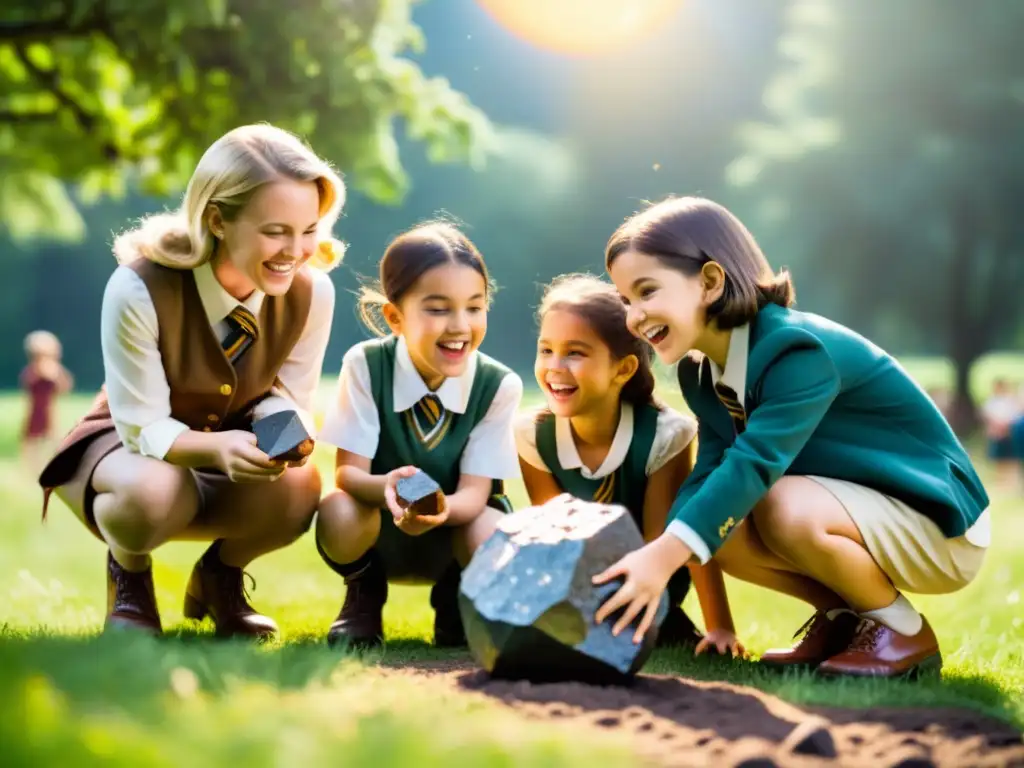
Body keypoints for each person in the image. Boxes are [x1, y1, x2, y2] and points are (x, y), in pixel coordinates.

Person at [593, 196, 990, 678]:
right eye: (625, 301)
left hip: (939, 519)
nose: (634, 317)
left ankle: (904, 633)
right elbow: (711, 472)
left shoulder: (795, 348)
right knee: (723, 528)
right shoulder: (702, 376)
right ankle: (846, 620)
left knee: (779, 504)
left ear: (710, 281)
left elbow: (755, 463)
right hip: (859, 509)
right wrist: (663, 553)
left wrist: (664, 554)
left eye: (647, 291)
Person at [39, 123, 343, 640]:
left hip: (231, 438)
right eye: (276, 231)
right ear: (218, 220)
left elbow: (288, 396)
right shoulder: (138, 286)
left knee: (301, 487)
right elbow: (141, 427)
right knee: (154, 491)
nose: (297, 250)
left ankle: (219, 577)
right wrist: (215, 448)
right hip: (129, 451)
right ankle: (129, 576)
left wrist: (283, 433)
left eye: (309, 229)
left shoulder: (312, 294)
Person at [315, 221, 522, 650]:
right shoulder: (367, 364)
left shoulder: (498, 384)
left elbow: (476, 495)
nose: (459, 325)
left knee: (491, 527)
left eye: (474, 307)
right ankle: (363, 595)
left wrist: (439, 511)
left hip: (454, 531)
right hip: (380, 528)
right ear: (394, 317)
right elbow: (348, 476)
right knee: (338, 510)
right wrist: (387, 487)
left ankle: (459, 597)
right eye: (437, 308)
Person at [515, 274, 742, 655]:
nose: (555, 366)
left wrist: (719, 627)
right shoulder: (532, 435)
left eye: (575, 352)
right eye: (546, 350)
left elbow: (669, 537)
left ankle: (656, 621)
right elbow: (550, 533)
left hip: (649, 572)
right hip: (570, 572)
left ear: (623, 370)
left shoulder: (664, 436)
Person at [21, 330, 74, 471]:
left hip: (49, 410)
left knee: (51, 438)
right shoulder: (32, 371)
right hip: (35, 410)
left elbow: (65, 386)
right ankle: (33, 468)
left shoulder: (53, 370)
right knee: (32, 440)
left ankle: (49, 466)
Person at [981, 378, 1021, 488]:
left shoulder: (1010, 401)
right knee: (999, 458)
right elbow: (987, 415)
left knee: (1011, 457)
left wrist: (1006, 425)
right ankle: (1001, 482)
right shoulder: (992, 401)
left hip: (1008, 432)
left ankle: (1011, 482)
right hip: (996, 433)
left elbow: (1015, 415)